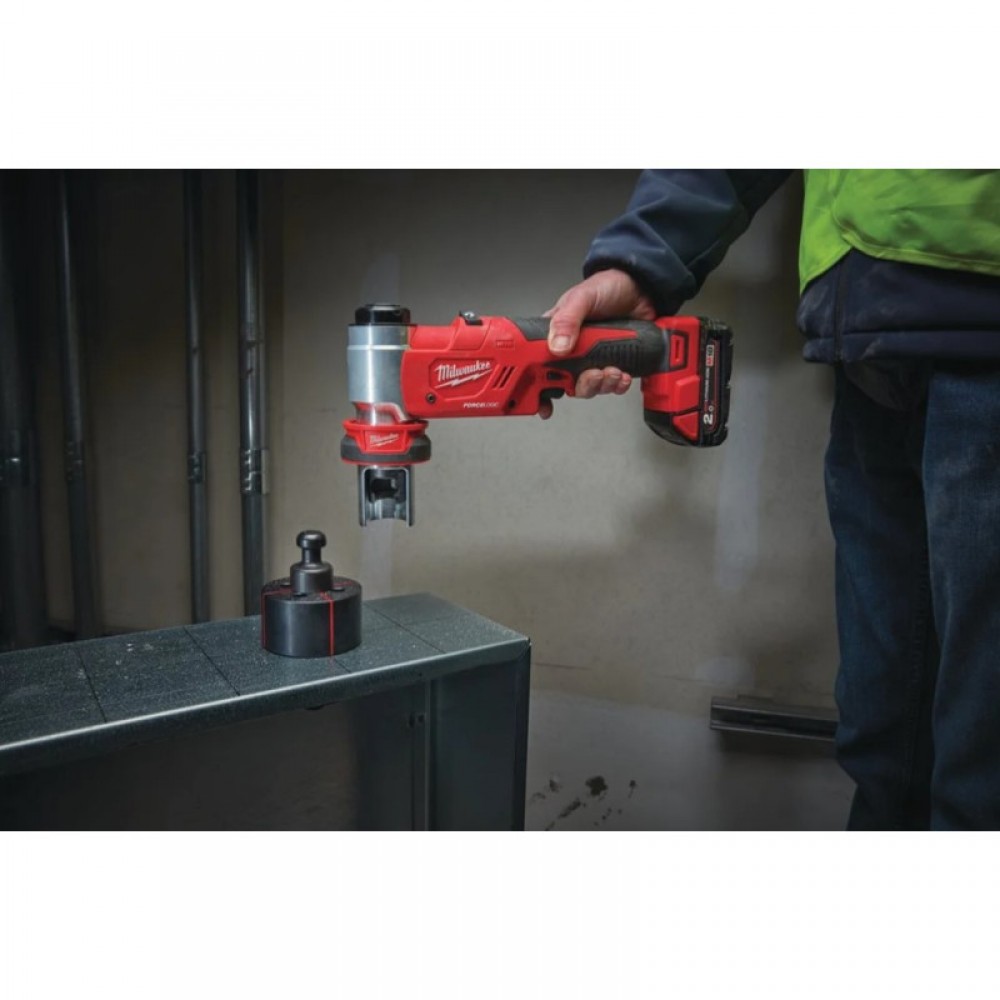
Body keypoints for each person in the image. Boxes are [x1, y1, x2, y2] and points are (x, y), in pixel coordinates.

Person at [543, 170, 1000, 831]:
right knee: (880, 735)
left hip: (979, 317)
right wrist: (642, 262)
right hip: (872, 341)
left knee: (982, 764)